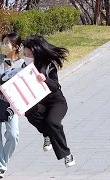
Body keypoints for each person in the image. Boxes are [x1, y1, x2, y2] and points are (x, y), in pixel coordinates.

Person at [23, 35, 75, 167]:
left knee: (52, 122)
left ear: (37, 53)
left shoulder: (48, 65)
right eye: (25, 54)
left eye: (29, 54)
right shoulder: (23, 66)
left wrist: (45, 79)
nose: (26, 57)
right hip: (40, 102)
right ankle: (46, 134)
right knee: (29, 110)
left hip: (56, 101)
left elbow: (55, 86)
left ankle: (66, 154)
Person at [0, 32, 25, 178]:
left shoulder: (23, 63)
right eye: (3, 42)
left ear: (16, 47)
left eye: (7, 42)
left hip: (12, 104)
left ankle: (2, 163)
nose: (4, 45)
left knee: (13, 135)